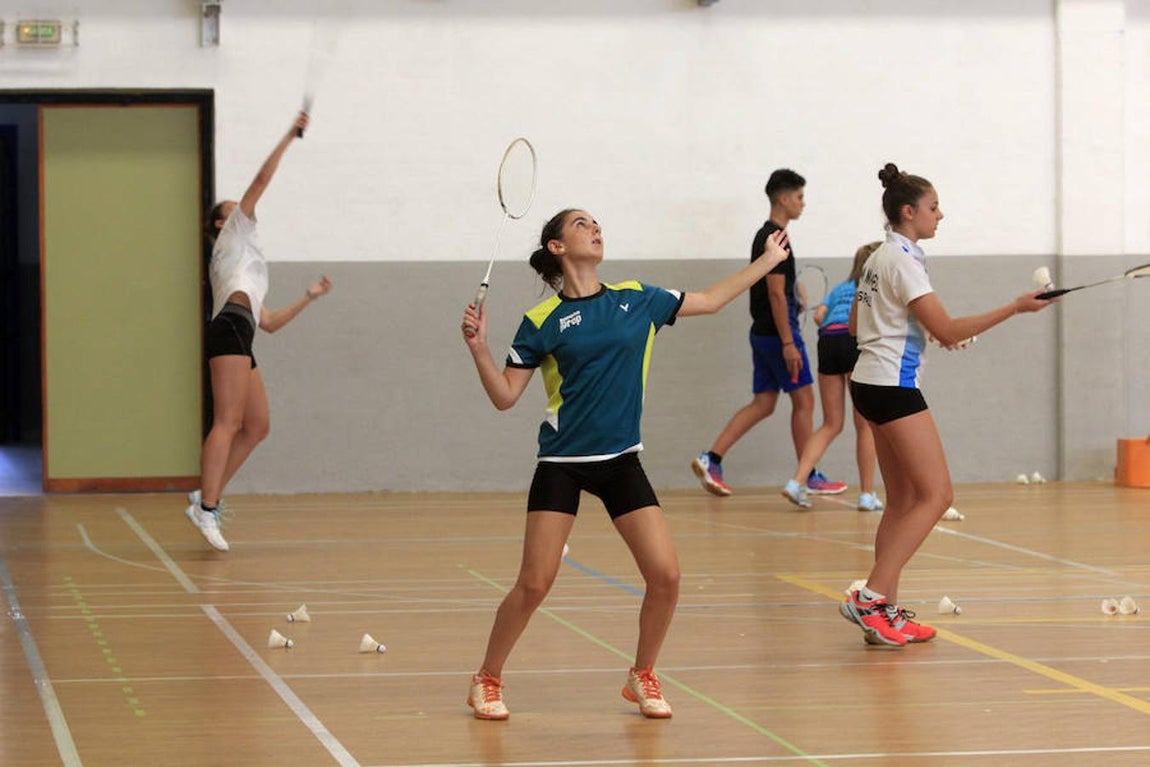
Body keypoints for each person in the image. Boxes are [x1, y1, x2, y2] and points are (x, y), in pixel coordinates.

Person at [460, 208, 789, 720]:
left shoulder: (638, 299)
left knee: (667, 576)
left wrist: (768, 260)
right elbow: (506, 396)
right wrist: (479, 349)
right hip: (563, 462)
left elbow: (710, 300)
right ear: (557, 247)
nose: (596, 228)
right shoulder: (541, 322)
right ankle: (487, 677)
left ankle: (641, 675)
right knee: (535, 582)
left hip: (620, 461)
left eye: (596, 223)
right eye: (581, 224)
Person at [840, 163, 1053, 647]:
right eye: (934, 208)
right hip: (894, 388)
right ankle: (871, 598)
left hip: (868, 382)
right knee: (937, 496)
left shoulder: (878, 257)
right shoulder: (903, 261)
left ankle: (884, 615)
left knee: (901, 503)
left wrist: (919, 336)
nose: (941, 215)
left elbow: (857, 324)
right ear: (908, 211)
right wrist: (1016, 307)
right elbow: (950, 328)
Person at [185, 111, 332, 552]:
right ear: (220, 224)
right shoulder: (232, 237)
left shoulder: (245, 262)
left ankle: (205, 495)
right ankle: (206, 508)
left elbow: (267, 322)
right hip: (228, 330)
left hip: (243, 333)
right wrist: (288, 135)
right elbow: (262, 180)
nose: (244, 209)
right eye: (233, 210)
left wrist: (307, 297)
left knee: (257, 426)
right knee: (228, 422)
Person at [692, 169, 845, 497]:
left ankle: (712, 458)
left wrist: (795, 291)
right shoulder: (777, 237)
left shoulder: (765, 235)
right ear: (784, 198)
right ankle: (807, 475)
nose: (804, 204)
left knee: (763, 403)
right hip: (779, 337)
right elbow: (774, 293)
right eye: (800, 197)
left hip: (760, 333)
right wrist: (789, 341)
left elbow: (777, 288)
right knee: (804, 401)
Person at [781, 242, 884, 511]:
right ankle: (866, 495)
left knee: (831, 423)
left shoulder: (839, 289)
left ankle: (796, 482)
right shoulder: (874, 286)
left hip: (827, 343)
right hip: (853, 342)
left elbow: (819, 316)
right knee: (865, 425)